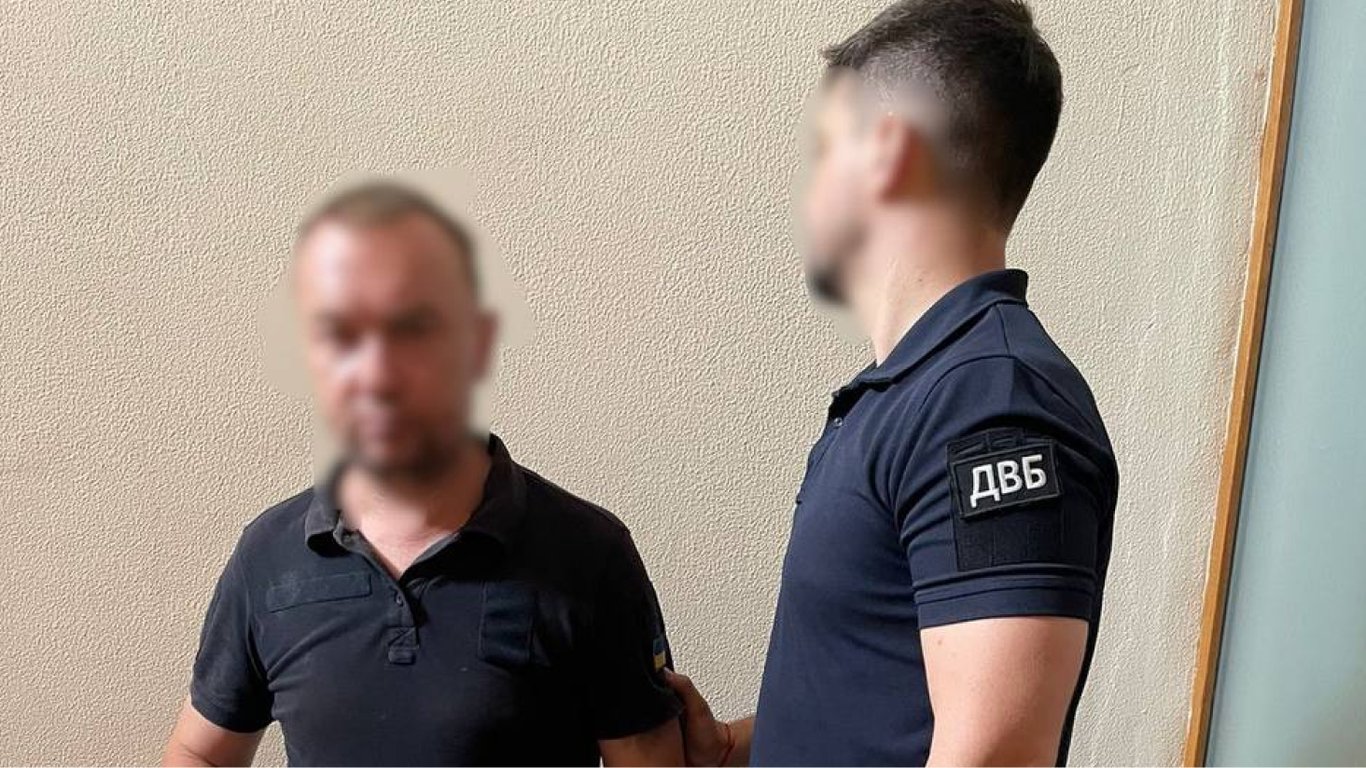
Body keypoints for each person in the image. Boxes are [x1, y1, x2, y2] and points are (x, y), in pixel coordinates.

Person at [664, 1, 1118, 765]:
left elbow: (995, 756)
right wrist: (734, 748)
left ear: (888, 154)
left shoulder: (992, 408)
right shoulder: (910, 397)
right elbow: (883, 697)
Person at [160, 182, 683, 767]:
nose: (377, 373)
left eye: (412, 330)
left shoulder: (589, 553)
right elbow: (201, 751)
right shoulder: (269, 556)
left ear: (476, 343)